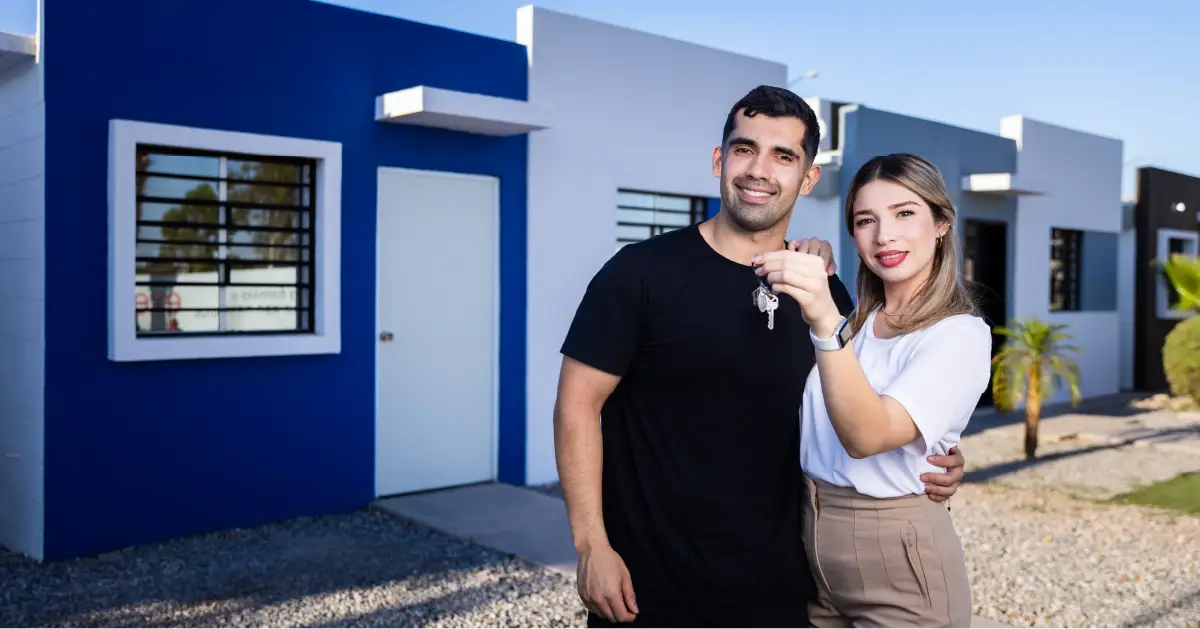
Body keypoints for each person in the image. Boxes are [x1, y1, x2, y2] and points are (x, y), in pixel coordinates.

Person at [553, 85, 968, 628]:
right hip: (649, 590)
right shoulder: (640, 273)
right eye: (745, 149)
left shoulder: (827, 297)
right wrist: (591, 546)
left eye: (783, 156)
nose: (759, 170)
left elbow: (864, 415)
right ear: (719, 160)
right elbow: (576, 406)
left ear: (808, 177)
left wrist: (934, 457)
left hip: (782, 591)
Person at [752, 152, 990, 628]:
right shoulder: (855, 322)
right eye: (866, 220)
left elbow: (866, 436)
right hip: (811, 547)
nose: (885, 236)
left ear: (942, 223)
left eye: (905, 213)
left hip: (898, 561)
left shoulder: (959, 333)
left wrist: (822, 319)